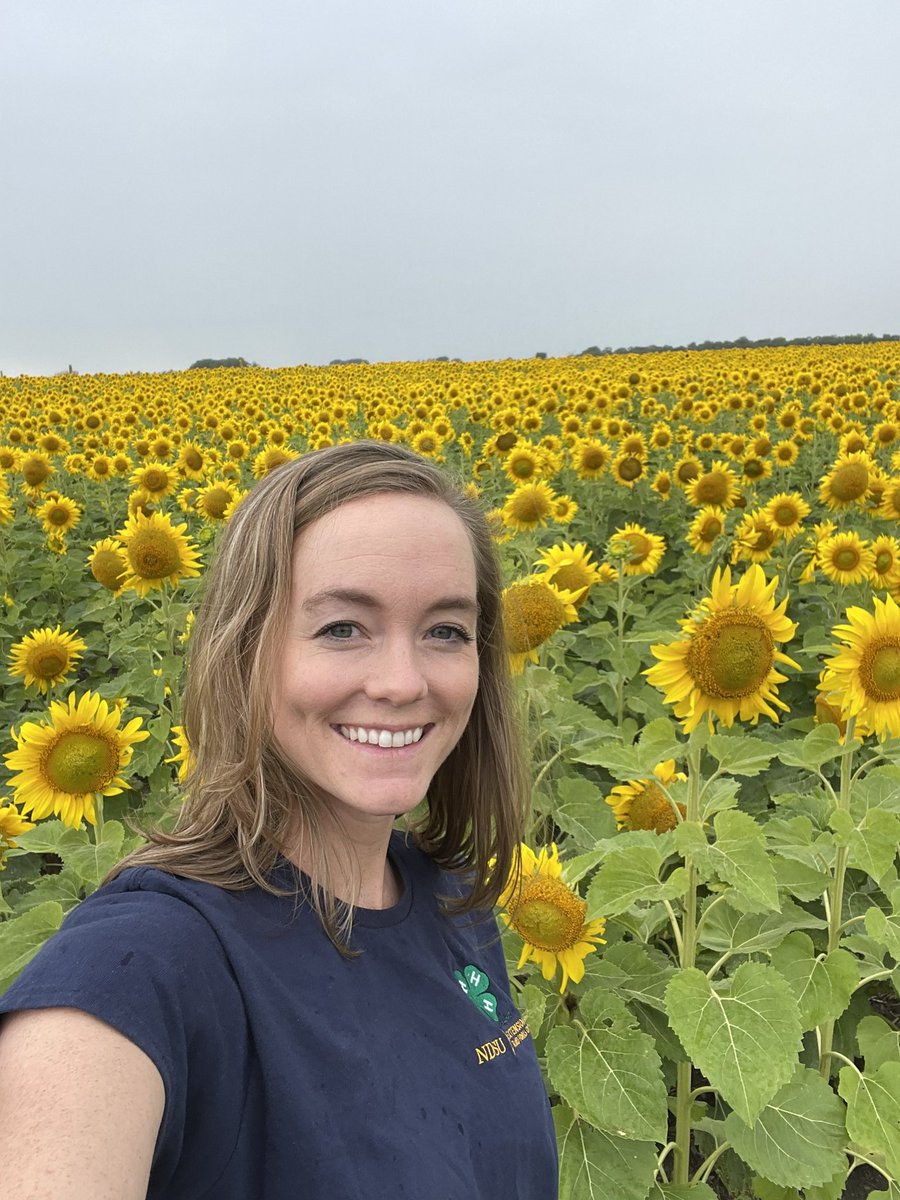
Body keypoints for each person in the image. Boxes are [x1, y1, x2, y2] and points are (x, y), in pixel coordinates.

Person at [0, 441, 559, 1199]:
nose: (403, 681)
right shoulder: (142, 965)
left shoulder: (452, 901)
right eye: (342, 629)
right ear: (244, 650)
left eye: (445, 631)